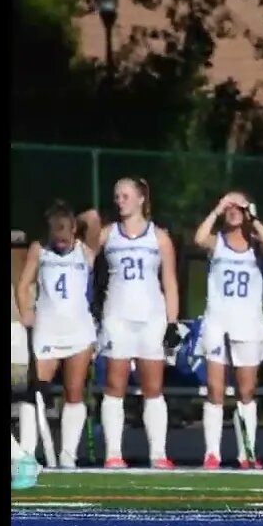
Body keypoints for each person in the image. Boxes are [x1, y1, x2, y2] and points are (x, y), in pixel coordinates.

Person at [83, 178, 181, 469]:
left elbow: (171, 283)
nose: (120, 200)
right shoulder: (107, 234)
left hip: (151, 318)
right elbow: (85, 260)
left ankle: (158, 453)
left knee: (154, 387)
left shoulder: (159, 237)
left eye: (126, 195)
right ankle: (113, 453)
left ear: (141, 199)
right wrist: (87, 225)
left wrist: (172, 324)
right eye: (116, 196)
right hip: (118, 317)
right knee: (115, 385)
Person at [193, 191, 263, 469]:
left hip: (248, 323)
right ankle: (212, 453)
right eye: (229, 207)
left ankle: (247, 453)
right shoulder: (216, 243)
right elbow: (198, 238)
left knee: (247, 390)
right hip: (218, 321)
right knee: (215, 389)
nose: (233, 210)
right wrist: (218, 208)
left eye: (238, 207)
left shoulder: (255, 245)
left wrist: (253, 217)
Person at [14, 201, 98, 469]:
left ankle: (68, 455)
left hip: (79, 330)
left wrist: (68, 215)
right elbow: (24, 284)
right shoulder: (41, 250)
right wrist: (26, 311)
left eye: (64, 236)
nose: (60, 242)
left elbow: (94, 218)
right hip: (47, 329)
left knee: (74, 392)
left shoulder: (85, 250)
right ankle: (27, 452)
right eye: (56, 237)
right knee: (36, 392)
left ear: (73, 229)